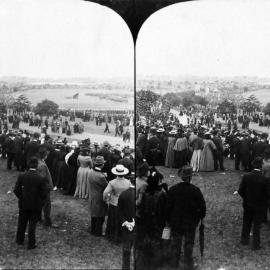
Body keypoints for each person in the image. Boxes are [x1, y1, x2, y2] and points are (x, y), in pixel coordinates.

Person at [167, 165, 206, 270]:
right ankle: (189, 265)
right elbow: (202, 207)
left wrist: (169, 220)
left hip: (175, 222)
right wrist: (199, 218)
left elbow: (167, 206)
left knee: (176, 243)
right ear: (190, 177)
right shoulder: (195, 190)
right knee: (189, 244)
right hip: (190, 223)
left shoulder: (173, 189)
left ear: (181, 177)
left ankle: (174, 264)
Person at [14, 157, 49, 249]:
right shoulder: (41, 178)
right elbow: (44, 192)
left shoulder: (22, 175)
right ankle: (31, 243)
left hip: (24, 203)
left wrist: (21, 197)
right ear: (37, 165)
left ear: (28, 164)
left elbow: (16, 190)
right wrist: (41, 201)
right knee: (32, 224)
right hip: (35, 205)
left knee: (22, 222)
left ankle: (19, 240)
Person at [238, 157, 269, 250]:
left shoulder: (246, 176)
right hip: (260, 206)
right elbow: (268, 194)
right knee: (257, 225)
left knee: (246, 222)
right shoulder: (265, 179)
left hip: (248, 204)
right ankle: (256, 244)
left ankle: (244, 240)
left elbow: (240, 190)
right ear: (261, 166)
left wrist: (246, 198)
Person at [103, 164, 131, 243]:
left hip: (114, 203)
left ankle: (112, 235)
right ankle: (121, 236)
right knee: (122, 220)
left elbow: (105, 192)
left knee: (113, 220)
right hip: (124, 203)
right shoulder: (128, 182)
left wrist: (106, 199)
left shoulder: (112, 182)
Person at [118, 174, 135, 270]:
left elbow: (119, 210)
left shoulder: (123, 194)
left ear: (129, 182)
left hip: (127, 225)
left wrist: (125, 222)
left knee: (126, 249)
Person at [87, 156, 108, 236]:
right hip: (99, 197)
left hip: (92, 195)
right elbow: (106, 186)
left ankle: (93, 230)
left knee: (94, 215)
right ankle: (97, 232)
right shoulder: (101, 176)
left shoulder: (90, 171)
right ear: (102, 165)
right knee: (100, 216)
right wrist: (105, 177)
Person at [37, 146, 57, 228]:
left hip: (41, 188)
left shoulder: (39, 161)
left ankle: (38, 218)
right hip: (44, 188)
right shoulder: (42, 165)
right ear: (44, 155)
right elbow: (42, 178)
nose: (47, 156)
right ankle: (47, 222)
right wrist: (47, 187)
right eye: (46, 154)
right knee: (47, 205)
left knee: (40, 204)